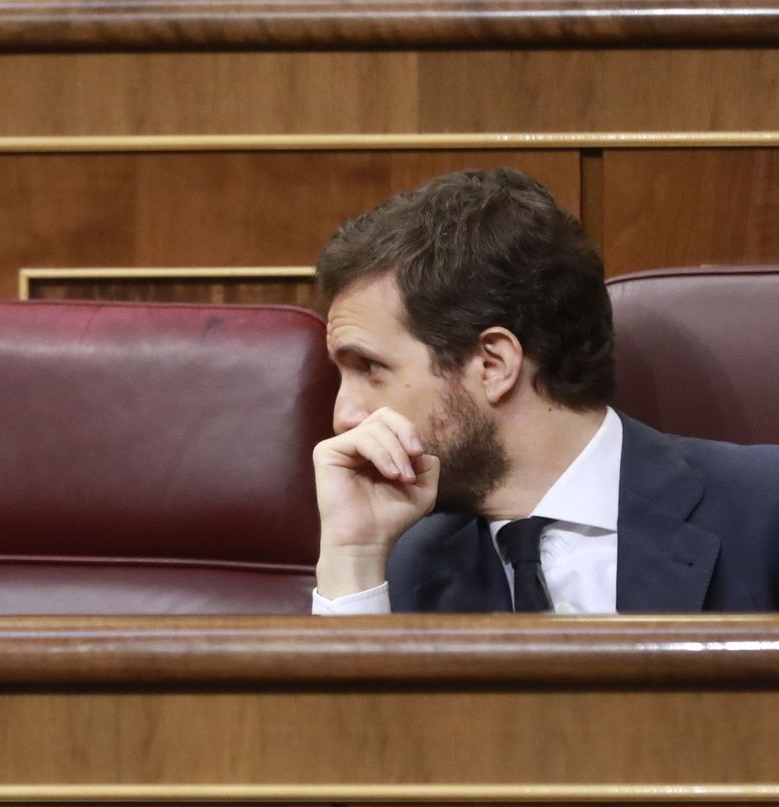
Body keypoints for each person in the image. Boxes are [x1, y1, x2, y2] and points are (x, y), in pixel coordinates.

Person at [311, 167, 779, 614]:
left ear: (493, 365)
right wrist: (353, 559)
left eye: (369, 367)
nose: (344, 417)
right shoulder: (397, 566)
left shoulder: (764, 509)